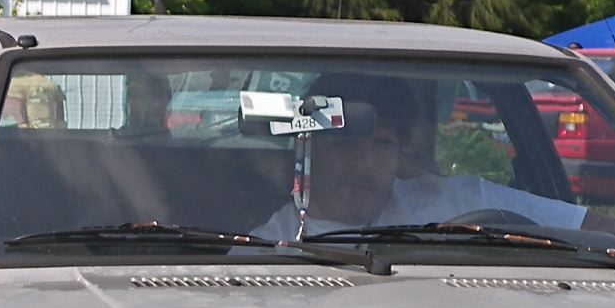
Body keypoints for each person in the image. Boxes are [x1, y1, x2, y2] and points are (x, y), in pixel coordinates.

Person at [250, 71, 586, 243]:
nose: (365, 163)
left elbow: (590, 229)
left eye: (382, 145)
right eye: (346, 145)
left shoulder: (460, 202)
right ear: (309, 149)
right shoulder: (267, 249)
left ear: (400, 155)